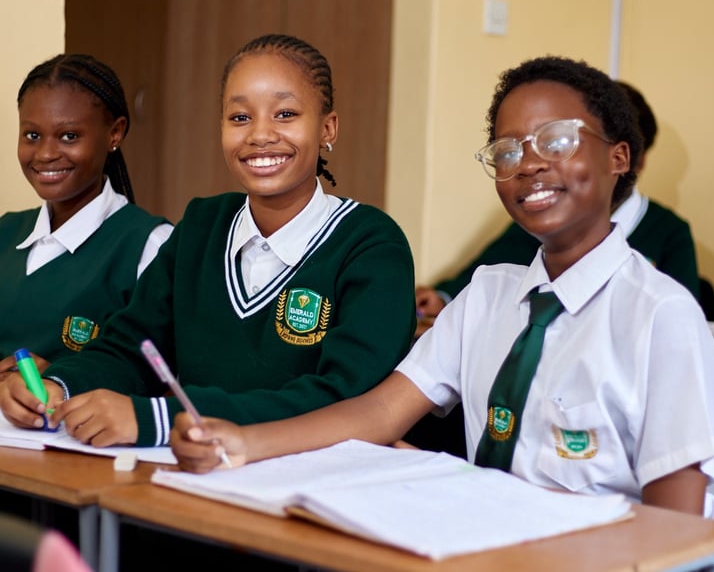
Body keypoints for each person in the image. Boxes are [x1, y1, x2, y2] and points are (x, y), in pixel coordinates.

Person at [169, 56, 714, 517]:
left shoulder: (660, 315)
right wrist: (243, 441)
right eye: (507, 152)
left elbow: (672, 525)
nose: (528, 164)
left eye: (555, 142)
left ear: (618, 158)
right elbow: (379, 413)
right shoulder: (487, 295)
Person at [0, 34, 415, 448]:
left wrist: (162, 418)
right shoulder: (203, 225)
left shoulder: (372, 246)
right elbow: (131, 348)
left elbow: (346, 399)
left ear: (328, 128)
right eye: (239, 118)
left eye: (285, 114)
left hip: (312, 483)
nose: (260, 135)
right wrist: (60, 385)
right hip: (197, 470)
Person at [414, 80, 700, 335]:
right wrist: (444, 297)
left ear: (627, 159)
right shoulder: (544, 214)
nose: (532, 165)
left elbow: (681, 328)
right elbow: (489, 268)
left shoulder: (669, 236)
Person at [0, 54, 172, 375]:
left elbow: (161, 377)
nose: (46, 154)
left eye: (69, 136)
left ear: (114, 134)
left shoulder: (149, 245)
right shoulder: (6, 232)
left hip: (72, 426)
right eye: (32, 135)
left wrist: (63, 381)